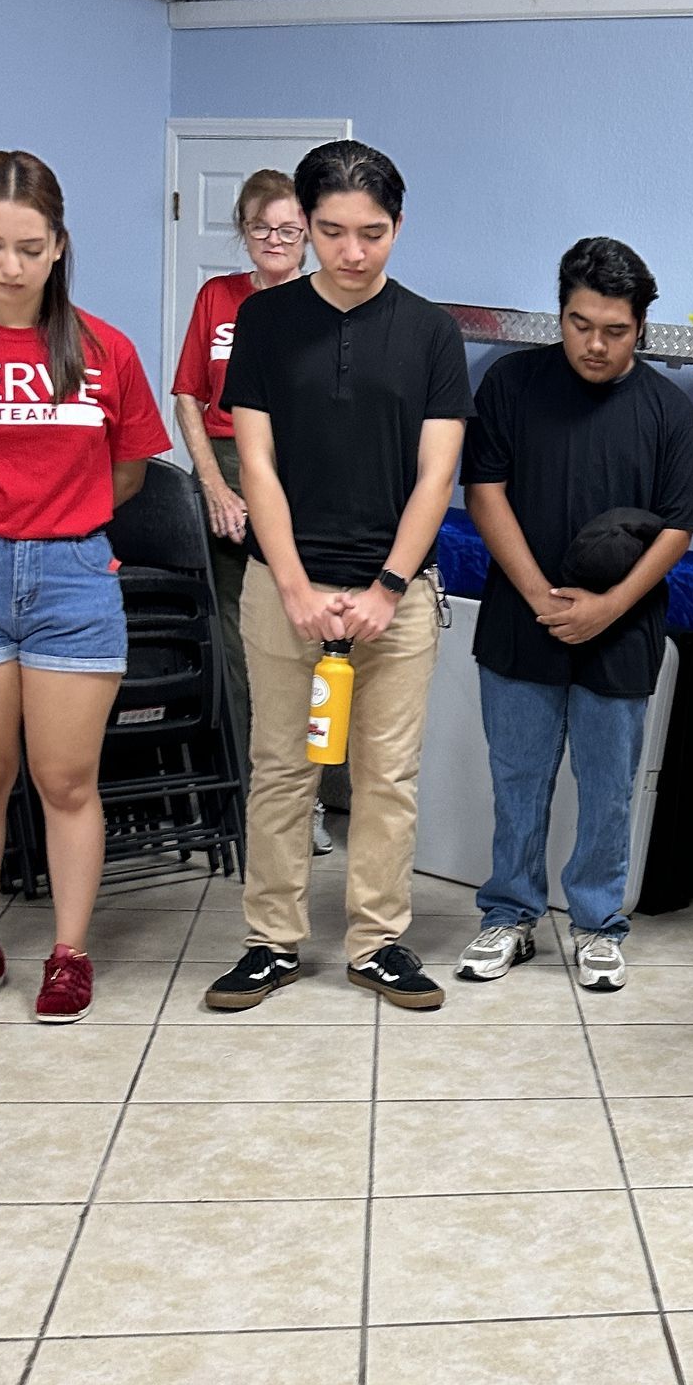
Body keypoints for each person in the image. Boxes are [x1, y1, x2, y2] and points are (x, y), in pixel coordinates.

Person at [203, 140, 469, 1013]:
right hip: (285, 588)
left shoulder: (430, 331)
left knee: (385, 775)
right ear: (306, 225)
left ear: (400, 226)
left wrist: (389, 588)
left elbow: (438, 475)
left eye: (374, 232)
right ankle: (272, 942)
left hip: (397, 597)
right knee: (281, 768)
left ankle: (378, 943)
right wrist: (292, 587)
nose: (353, 253)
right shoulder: (268, 326)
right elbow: (257, 464)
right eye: (333, 232)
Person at [0, 150, 169, 1024]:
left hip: (74, 577)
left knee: (67, 780)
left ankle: (69, 955)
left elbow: (134, 467)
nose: (10, 266)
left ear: (61, 245)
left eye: (30, 248)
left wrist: (60, 516)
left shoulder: (104, 349)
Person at [452, 238, 693, 992]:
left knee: (609, 787)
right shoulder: (509, 384)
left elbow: (678, 528)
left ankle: (598, 923)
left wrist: (607, 608)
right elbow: (485, 492)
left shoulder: (669, 412)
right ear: (559, 311)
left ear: (642, 328)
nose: (594, 343)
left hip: (621, 630)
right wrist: (538, 595)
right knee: (519, 777)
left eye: (615, 330)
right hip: (517, 619)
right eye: (579, 323)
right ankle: (510, 914)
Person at [170, 169, 333, 856]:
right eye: (262, 228)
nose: (276, 241)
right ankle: (243, 798)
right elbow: (187, 396)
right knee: (236, 646)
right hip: (226, 472)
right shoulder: (218, 297)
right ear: (243, 230)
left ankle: (308, 803)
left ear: (309, 236)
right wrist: (213, 484)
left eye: (290, 231)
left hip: (299, 477)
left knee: (308, 644)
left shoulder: (326, 305)